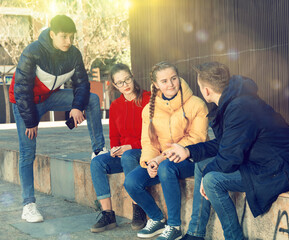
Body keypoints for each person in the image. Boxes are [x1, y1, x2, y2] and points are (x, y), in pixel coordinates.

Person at [164, 62, 289, 240]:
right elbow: (225, 144)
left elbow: (229, 157)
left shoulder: (240, 107)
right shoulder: (234, 101)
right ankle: (196, 233)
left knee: (212, 181)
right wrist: (188, 151)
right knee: (201, 166)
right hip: (263, 163)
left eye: (200, 87)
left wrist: (207, 176)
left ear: (206, 91)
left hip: (281, 171)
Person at [9, 15, 106, 223]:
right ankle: (28, 205)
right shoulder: (33, 51)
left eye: (71, 37)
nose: (68, 41)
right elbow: (21, 89)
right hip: (25, 102)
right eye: (63, 36)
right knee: (27, 152)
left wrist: (76, 107)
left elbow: (82, 84)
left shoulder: (73, 54)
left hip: (50, 97)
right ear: (52, 34)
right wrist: (30, 121)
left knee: (93, 99)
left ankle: (98, 150)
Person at [124, 61, 209, 240]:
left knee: (166, 168)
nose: (170, 84)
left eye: (173, 78)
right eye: (164, 81)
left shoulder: (196, 104)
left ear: (179, 78)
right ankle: (157, 219)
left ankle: (174, 226)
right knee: (131, 181)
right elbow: (148, 142)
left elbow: (196, 138)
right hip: (161, 160)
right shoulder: (149, 109)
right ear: (155, 85)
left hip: (191, 158)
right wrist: (149, 162)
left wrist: (160, 160)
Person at [90, 63, 151, 233]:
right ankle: (108, 214)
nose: (125, 85)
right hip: (124, 153)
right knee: (97, 162)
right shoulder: (116, 106)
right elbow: (114, 137)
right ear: (115, 86)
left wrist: (130, 146)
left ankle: (138, 208)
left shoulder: (148, 99)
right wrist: (115, 149)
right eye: (120, 83)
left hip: (144, 151)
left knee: (129, 155)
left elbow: (155, 136)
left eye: (127, 79)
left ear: (132, 77)